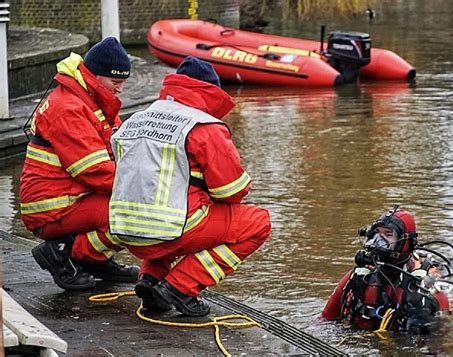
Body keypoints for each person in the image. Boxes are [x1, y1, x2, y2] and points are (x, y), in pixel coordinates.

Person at [108, 56, 271, 317]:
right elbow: (231, 191)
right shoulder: (203, 125)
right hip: (169, 232)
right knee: (258, 223)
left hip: (123, 230)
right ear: (211, 92)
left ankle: (150, 281)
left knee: (168, 209)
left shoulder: (134, 119)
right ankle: (181, 287)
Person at [19, 37, 139, 290]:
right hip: (53, 208)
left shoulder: (89, 99)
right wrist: (142, 187)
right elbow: (94, 170)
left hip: (70, 198)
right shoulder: (70, 107)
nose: (120, 89)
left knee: (136, 208)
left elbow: (118, 150)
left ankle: (94, 260)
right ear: (95, 77)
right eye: (116, 82)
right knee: (134, 212)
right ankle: (60, 253)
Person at [321, 206, 450, 333]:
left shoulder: (429, 288)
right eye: (376, 233)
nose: (379, 241)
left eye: (388, 235)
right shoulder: (358, 277)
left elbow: (438, 345)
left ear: (406, 242)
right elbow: (325, 320)